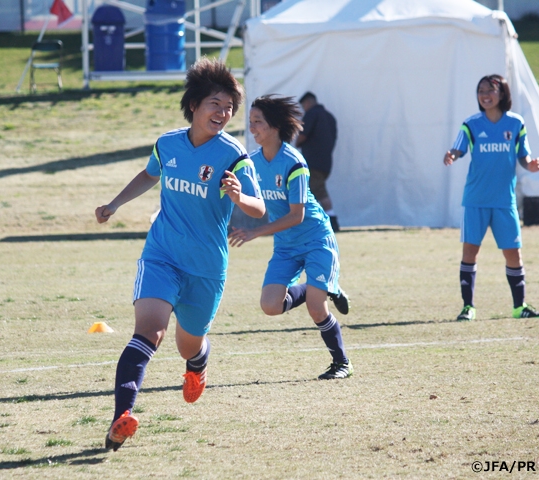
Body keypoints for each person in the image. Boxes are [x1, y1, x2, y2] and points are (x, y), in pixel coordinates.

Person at [95, 58, 265, 450]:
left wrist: (241, 196)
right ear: (193, 105)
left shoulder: (233, 153)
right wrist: (115, 203)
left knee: (187, 344)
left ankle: (198, 362)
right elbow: (149, 173)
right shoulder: (168, 143)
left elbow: (259, 208)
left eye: (229, 108)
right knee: (149, 332)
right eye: (215, 104)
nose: (222, 113)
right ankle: (121, 416)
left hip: (206, 267)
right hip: (162, 255)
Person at [229, 94, 352, 380]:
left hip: (316, 239)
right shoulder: (253, 163)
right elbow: (255, 203)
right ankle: (322, 287)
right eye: (251, 122)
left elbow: (296, 215)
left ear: (273, 126)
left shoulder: (294, 162)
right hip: (286, 245)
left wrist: (254, 232)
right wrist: (236, 195)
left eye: (257, 122)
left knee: (315, 307)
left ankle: (341, 363)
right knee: (270, 306)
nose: (252, 128)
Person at [443, 74, 539, 322]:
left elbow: (523, 155)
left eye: (490, 90)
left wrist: (529, 164)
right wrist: (452, 155)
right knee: (470, 252)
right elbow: (458, 148)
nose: (485, 95)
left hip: (504, 201)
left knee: (513, 255)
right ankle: (468, 307)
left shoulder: (516, 124)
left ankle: (519, 307)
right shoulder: (471, 124)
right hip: (475, 200)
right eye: (480, 91)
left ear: (503, 94)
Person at [296, 92, 339, 232]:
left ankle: (332, 220)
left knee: (317, 191)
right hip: (326, 162)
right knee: (314, 191)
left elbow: (302, 136)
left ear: (307, 103)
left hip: (312, 161)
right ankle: (317, 221)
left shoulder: (311, 114)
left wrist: (296, 143)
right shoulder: (330, 117)